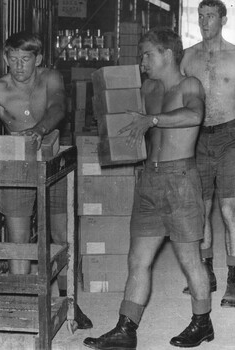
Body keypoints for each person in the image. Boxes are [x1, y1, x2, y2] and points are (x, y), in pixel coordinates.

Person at [83, 28, 214, 349]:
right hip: (149, 180)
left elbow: (195, 114)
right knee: (137, 259)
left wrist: (151, 121)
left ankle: (202, 322)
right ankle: (125, 329)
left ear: (167, 53)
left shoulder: (190, 85)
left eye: (147, 54)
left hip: (181, 180)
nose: (142, 61)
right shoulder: (150, 89)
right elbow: (124, 113)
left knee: (189, 259)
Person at [0, 31, 92, 329]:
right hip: (17, 165)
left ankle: (70, 301)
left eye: (25, 59)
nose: (19, 66)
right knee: (19, 240)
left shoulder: (50, 78)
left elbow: (58, 108)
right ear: (5, 58)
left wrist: (38, 131)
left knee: (61, 234)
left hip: (52, 158)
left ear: (37, 59)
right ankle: (21, 304)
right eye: (12, 59)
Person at [180, 0, 235, 307]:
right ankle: (207, 274)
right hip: (197, 137)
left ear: (223, 19)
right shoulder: (188, 58)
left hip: (231, 136)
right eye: (201, 17)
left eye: (210, 16)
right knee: (200, 208)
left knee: (230, 210)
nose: (204, 22)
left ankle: (234, 280)